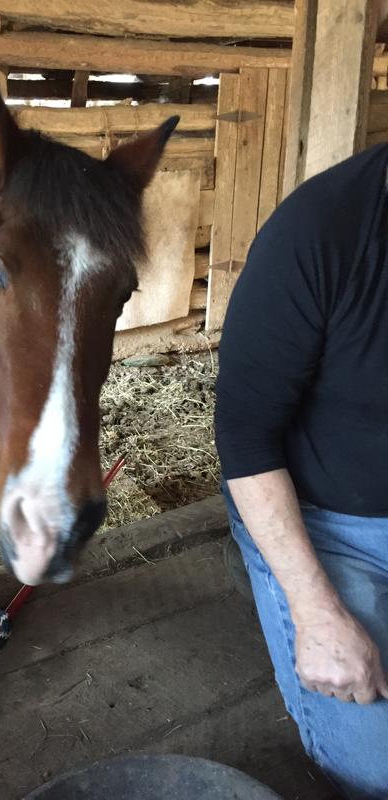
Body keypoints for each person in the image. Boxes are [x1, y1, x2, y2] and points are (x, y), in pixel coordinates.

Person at [215, 143, 388, 800]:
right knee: (378, 773)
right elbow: (244, 435)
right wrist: (318, 614)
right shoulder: (319, 232)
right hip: (329, 521)